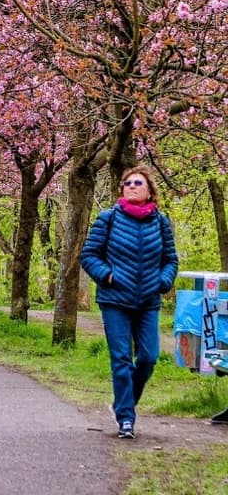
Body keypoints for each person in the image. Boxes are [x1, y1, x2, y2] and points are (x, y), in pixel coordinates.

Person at [80, 164, 179, 440]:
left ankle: (122, 404)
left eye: (138, 183)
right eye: (128, 184)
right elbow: (89, 256)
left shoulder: (160, 222)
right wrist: (107, 276)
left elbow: (171, 260)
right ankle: (126, 418)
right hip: (115, 300)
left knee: (148, 357)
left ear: (150, 191)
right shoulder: (108, 218)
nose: (132, 187)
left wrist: (163, 281)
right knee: (121, 359)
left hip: (148, 300)